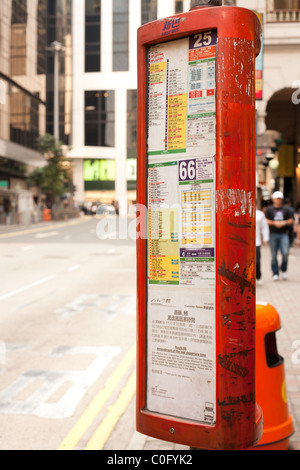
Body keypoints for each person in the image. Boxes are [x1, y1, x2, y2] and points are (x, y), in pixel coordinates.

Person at [265, 191, 294, 281]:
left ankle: (284, 270)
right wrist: (274, 223)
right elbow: (266, 220)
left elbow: (291, 220)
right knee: (274, 255)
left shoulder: (286, 209)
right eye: (277, 198)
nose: (278, 200)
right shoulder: (269, 209)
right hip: (273, 233)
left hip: (283, 233)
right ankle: (275, 273)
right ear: (273, 199)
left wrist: (283, 223)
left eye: (280, 198)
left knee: (285, 253)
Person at [256, 208, 269, 285]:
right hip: (242, 243)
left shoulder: (260, 214)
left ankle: (258, 276)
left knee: (257, 261)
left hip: (256, 242)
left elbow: (264, 227)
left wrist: (265, 238)